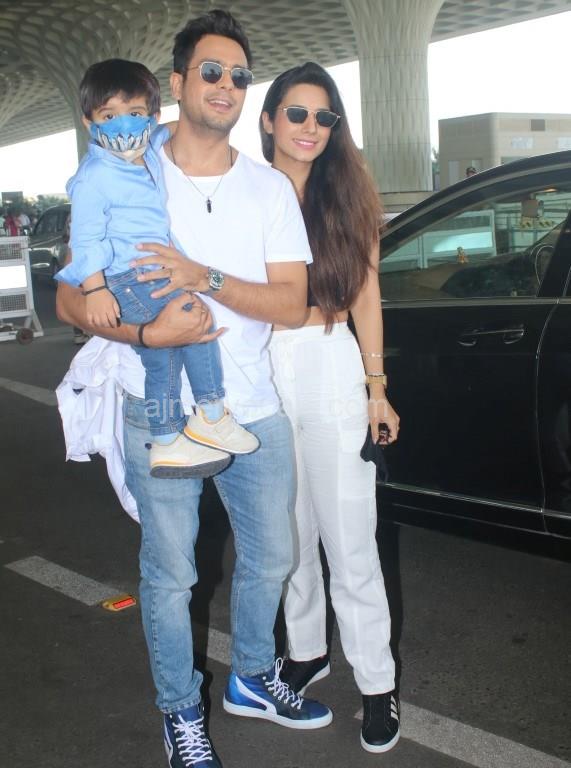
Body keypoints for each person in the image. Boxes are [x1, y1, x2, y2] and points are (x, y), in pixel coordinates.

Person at [56, 11, 332, 768]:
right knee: (171, 574)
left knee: (272, 557)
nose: (226, 85)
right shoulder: (126, 168)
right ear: (176, 82)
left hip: (253, 407)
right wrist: (149, 336)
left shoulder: (268, 187)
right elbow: (72, 300)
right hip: (159, 409)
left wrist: (202, 278)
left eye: (239, 76)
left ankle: (251, 676)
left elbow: (290, 304)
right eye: (211, 71)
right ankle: (181, 714)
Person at [259, 62, 401, 754]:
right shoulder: (244, 191)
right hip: (261, 367)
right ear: (268, 120)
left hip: (329, 358)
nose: (310, 127)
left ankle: (377, 681)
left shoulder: (348, 193)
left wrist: (376, 388)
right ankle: (307, 649)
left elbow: (367, 297)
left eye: (324, 116)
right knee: (286, 535)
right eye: (296, 113)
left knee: (349, 539)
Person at [56, 58, 258, 478]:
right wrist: (95, 290)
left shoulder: (145, 150)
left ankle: (166, 439)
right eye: (108, 116)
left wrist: (198, 109)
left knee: (163, 356)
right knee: (195, 324)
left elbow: (173, 128)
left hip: (148, 270)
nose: (123, 125)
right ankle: (210, 413)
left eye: (135, 113)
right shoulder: (93, 176)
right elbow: (85, 239)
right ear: (88, 122)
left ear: (151, 116)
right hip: (127, 277)